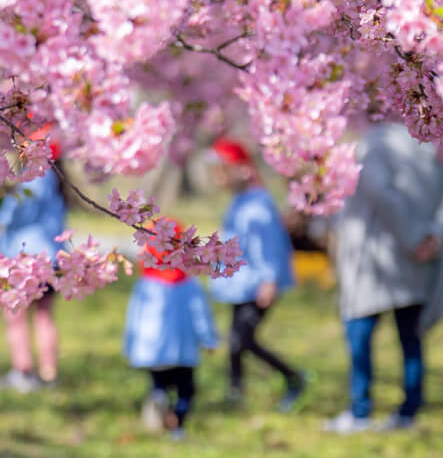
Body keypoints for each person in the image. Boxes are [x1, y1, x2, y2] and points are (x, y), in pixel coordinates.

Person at [325, 123, 443, 433]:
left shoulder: (376, 142)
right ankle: (408, 411)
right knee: (410, 338)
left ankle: (361, 411)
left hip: (374, 260)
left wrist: (416, 236)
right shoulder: (436, 141)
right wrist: (433, 235)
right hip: (416, 262)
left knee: (359, 332)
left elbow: (383, 195)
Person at [210, 138, 307, 410]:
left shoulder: (257, 205)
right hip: (240, 284)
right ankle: (235, 391)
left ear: (242, 170)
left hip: (256, 285)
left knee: (243, 339)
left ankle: (294, 378)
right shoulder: (239, 201)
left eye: (222, 170)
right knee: (235, 341)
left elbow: (267, 245)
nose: (218, 177)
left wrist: (269, 280)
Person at [122, 220, 219, 437]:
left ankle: (159, 400)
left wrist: (130, 345)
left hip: (152, 350)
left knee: (160, 383)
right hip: (182, 349)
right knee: (187, 389)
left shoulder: (145, 283)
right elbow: (200, 314)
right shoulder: (188, 283)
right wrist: (208, 339)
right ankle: (178, 425)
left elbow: (134, 317)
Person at [0, 144, 66, 393]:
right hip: (50, 255)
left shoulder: (34, 177)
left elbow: (18, 210)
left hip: (22, 255)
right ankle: (48, 371)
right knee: (44, 316)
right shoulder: (57, 178)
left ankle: (22, 370)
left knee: (16, 316)